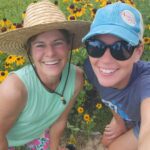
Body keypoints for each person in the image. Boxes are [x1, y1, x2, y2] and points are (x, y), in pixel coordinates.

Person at [0, 0, 90, 150]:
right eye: (40, 45)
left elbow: (60, 120)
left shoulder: (76, 78)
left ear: (69, 45)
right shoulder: (15, 89)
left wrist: (53, 148)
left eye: (58, 43)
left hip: (38, 135)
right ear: (29, 51)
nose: (50, 53)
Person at [82, 2, 150, 150]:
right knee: (107, 145)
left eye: (121, 49)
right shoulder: (91, 67)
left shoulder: (146, 82)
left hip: (142, 122)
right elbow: (108, 97)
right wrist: (119, 122)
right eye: (96, 46)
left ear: (138, 52)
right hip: (129, 117)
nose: (105, 60)